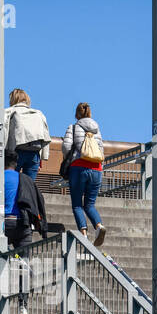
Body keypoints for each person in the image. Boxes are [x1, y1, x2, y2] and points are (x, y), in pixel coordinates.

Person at [61, 101, 106, 246]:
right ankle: (99, 226)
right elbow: (101, 150)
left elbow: (66, 146)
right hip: (96, 169)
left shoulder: (73, 127)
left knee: (77, 204)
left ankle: (84, 234)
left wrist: (70, 158)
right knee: (90, 204)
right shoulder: (97, 129)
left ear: (77, 114)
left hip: (79, 167)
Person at [4, 89, 50, 184]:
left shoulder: (9, 111)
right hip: (34, 153)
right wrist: (41, 158)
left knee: (11, 182)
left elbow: (3, 132)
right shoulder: (38, 114)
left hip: (16, 152)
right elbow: (45, 136)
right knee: (29, 185)